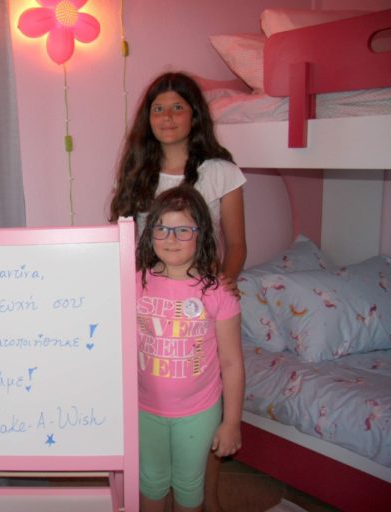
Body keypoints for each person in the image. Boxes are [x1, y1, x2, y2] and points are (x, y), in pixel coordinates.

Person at [108, 71, 246, 511]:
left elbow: (236, 245)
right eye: (158, 108)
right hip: (151, 305)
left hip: (201, 307)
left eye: (177, 107)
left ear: (194, 115)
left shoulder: (220, 172)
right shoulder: (138, 173)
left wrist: (221, 285)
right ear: (147, 118)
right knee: (153, 464)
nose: (167, 117)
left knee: (197, 446)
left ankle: (208, 501)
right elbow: (123, 245)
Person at [135, 184, 244, 512]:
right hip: (144, 409)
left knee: (188, 485)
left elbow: (232, 362)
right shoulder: (134, 282)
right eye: (162, 228)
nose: (171, 238)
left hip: (199, 411)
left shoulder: (218, 292)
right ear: (150, 233)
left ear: (202, 235)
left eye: (183, 230)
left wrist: (232, 422)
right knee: (151, 481)